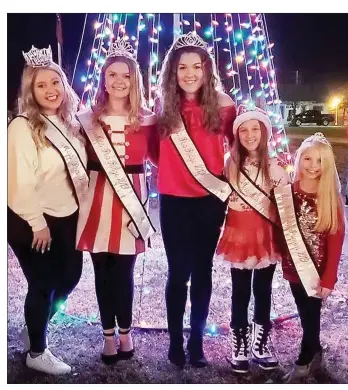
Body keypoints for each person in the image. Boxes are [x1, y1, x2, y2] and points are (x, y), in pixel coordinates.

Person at [155, 31, 236, 368]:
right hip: (173, 201)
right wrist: (177, 173)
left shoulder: (225, 105)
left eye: (197, 67)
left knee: (203, 271)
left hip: (209, 201)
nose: (189, 73)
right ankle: (176, 341)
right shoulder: (162, 107)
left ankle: (197, 341)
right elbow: (152, 153)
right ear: (172, 71)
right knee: (177, 273)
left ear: (207, 69)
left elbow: (241, 148)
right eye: (182, 67)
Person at [76, 38, 158, 364]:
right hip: (95, 198)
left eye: (126, 75)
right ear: (104, 79)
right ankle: (107, 335)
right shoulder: (86, 119)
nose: (119, 81)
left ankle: (126, 332)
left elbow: (164, 158)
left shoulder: (148, 119)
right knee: (102, 272)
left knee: (124, 270)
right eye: (112, 74)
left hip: (131, 201)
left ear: (134, 80)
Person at [8, 45, 88, 375]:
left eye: (55, 82)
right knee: (42, 282)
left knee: (70, 276)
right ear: (31, 90)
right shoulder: (22, 127)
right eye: (41, 85)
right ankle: (37, 352)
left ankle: (35, 324)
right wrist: (37, 223)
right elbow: (18, 182)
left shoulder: (70, 122)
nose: (50, 90)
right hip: (31, 219)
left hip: (66, 215)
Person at [216, 104, 290, 373]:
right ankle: (239, 345)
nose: (249, 135)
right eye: (243, 130)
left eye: (255, 129)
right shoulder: (229, 164)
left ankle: (260, 343)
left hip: (265, 237)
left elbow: (285, 209)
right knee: (239, 292)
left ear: (265, 132)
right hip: (238, 235)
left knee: (263, 291)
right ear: (237, 135)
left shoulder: (276, 168)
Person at [273, 132, 345, 383]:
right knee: (306, 315)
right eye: (308, 159)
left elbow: (336, 242)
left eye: (319, 161)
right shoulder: (286, 193)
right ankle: (316, 360)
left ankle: (303, 364)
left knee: (311, 316)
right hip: (295, 270)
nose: (313, 166)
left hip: (318, 272)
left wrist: (329, 279)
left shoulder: (330, 198)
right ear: (298, 158)